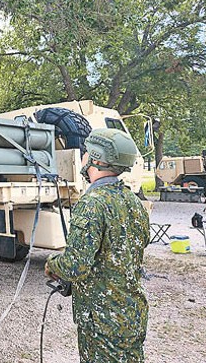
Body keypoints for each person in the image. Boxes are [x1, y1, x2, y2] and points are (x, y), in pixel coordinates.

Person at [44, 128, 150, 362]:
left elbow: (75, 266)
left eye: (86, 152)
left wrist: (52, 265)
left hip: (103, 320)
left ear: (96, 158)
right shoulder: (133, 201)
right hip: (131, 313)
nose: (82, 156)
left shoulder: (92, 203)